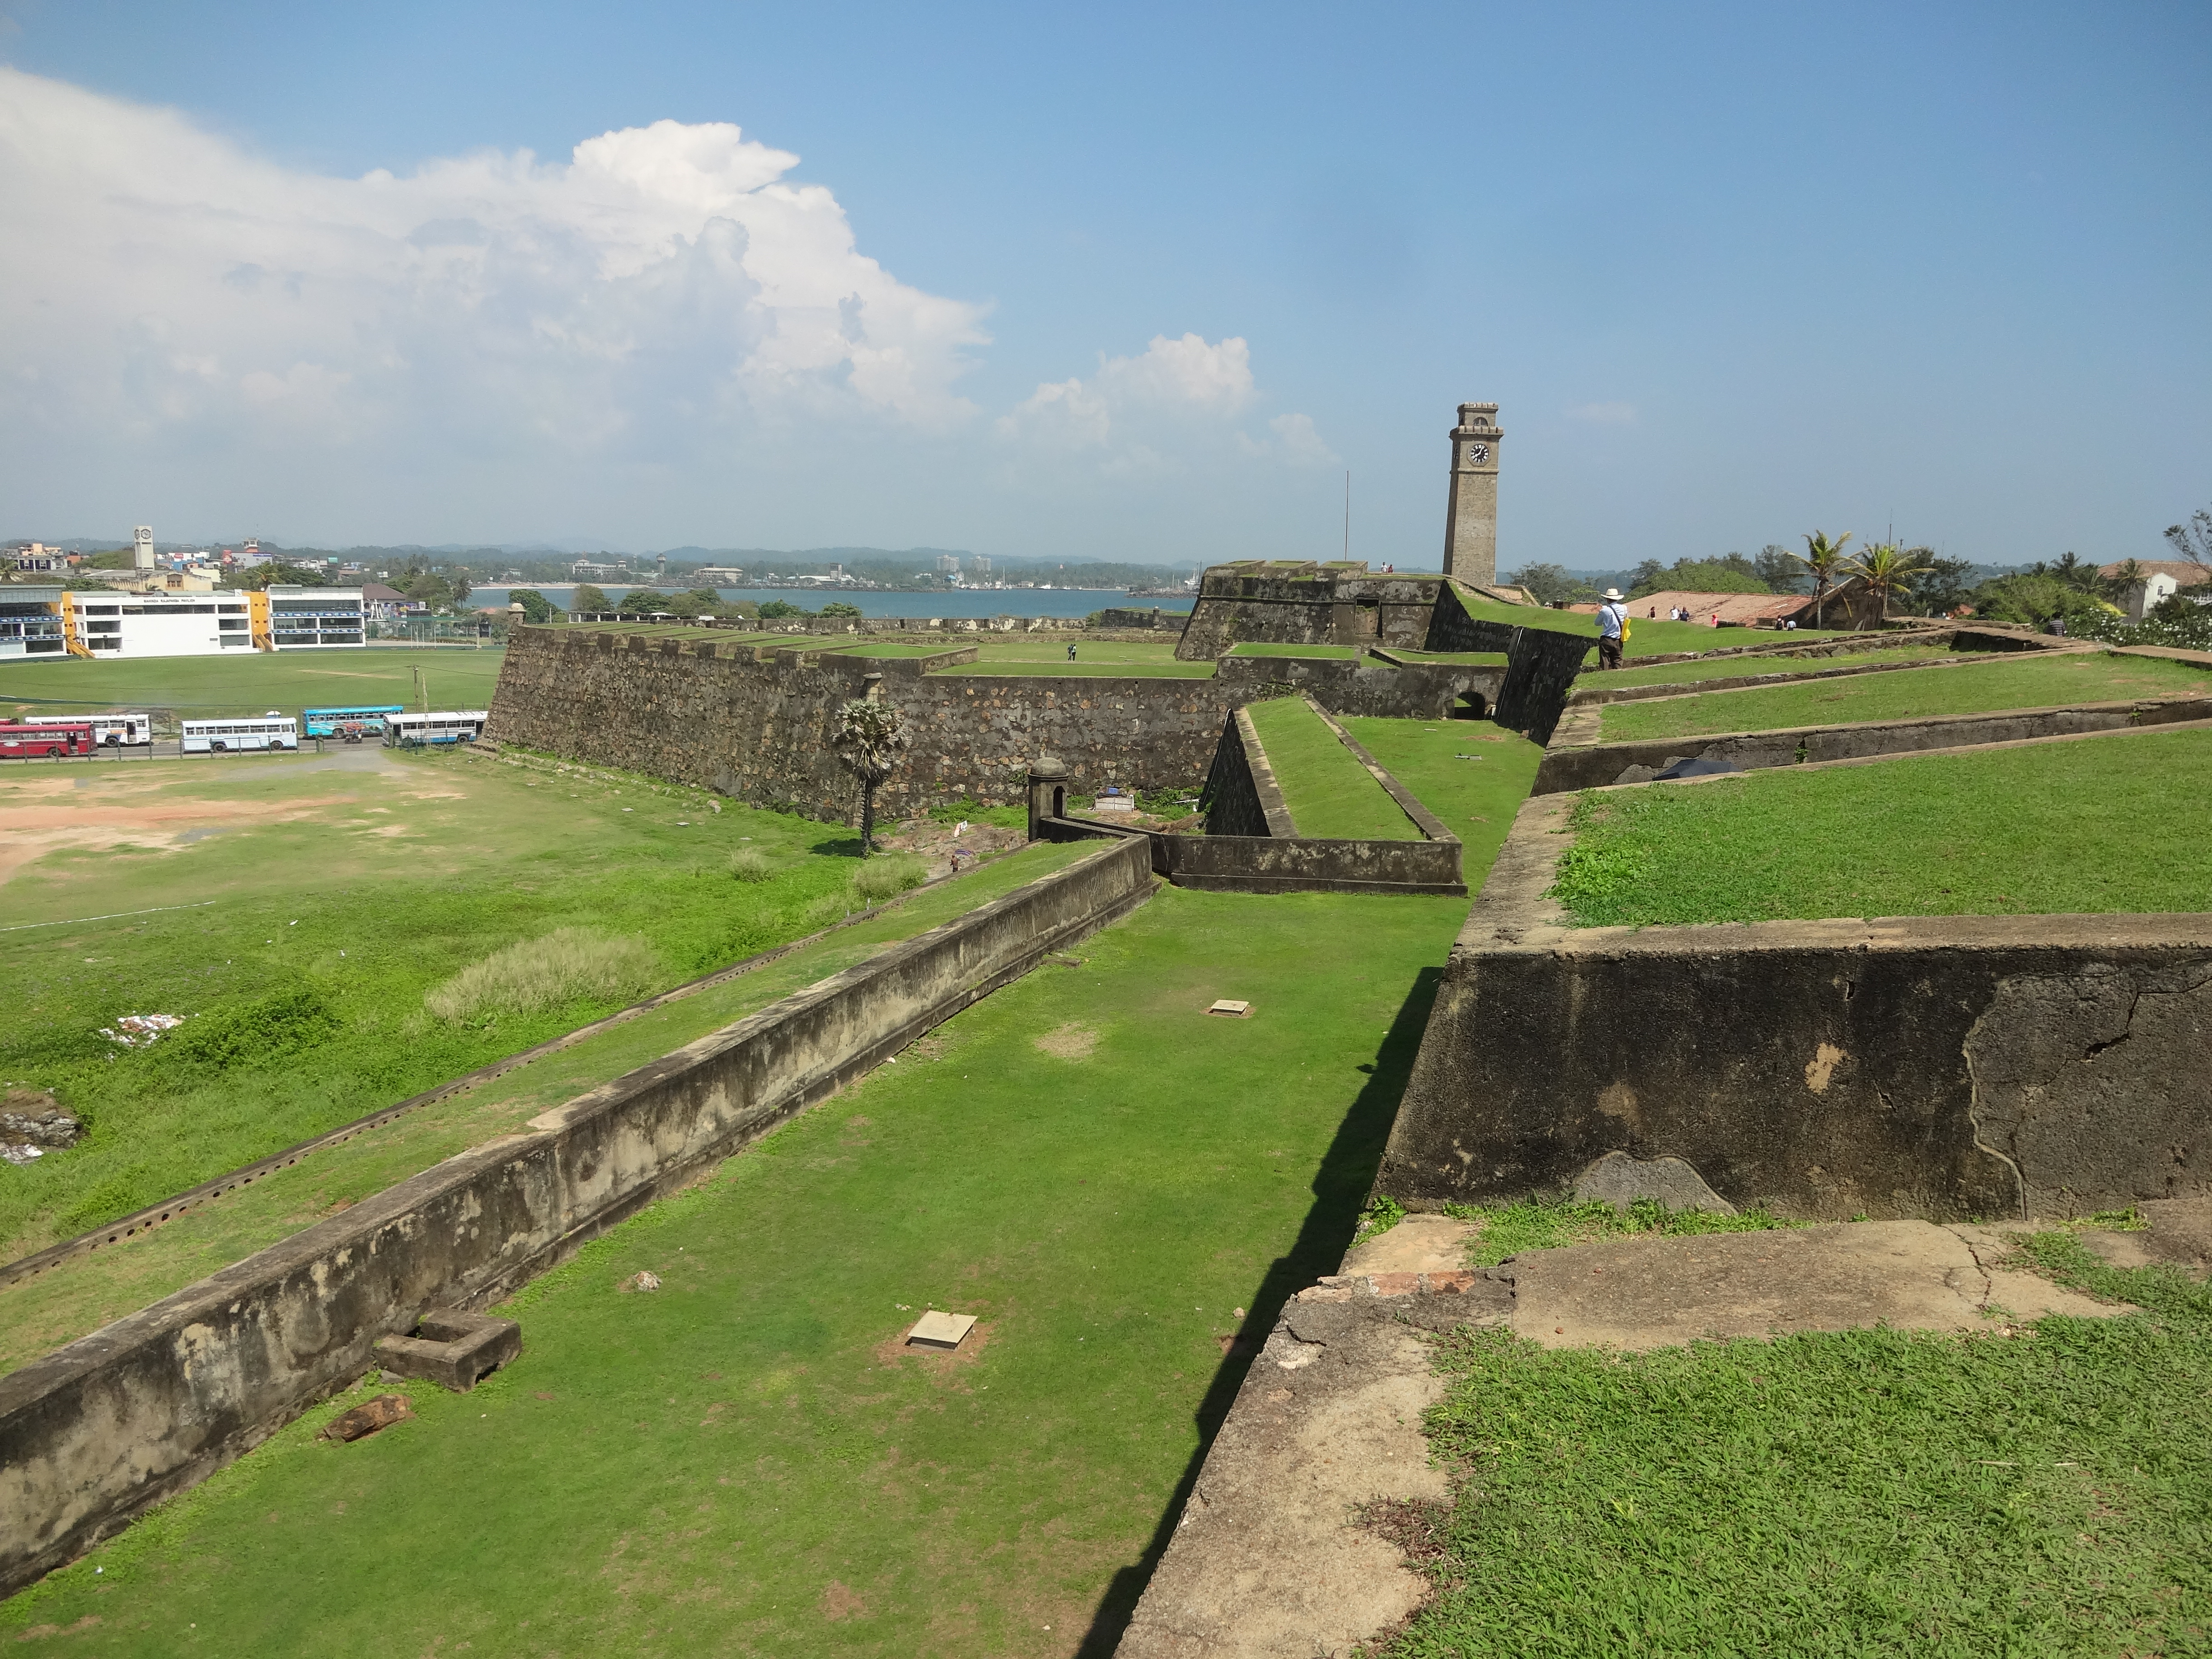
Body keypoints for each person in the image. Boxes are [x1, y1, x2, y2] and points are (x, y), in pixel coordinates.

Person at [1595, 586, 1628, 671]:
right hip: (1618, 639)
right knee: (1618, 660)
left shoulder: (1605, 611)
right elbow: (1626, 620)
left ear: (1608, 599)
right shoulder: (1624, 608)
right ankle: (1617, 677)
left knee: (1604, 661)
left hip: (1606, 639)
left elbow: (1597, 623)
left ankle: (1604, 677)